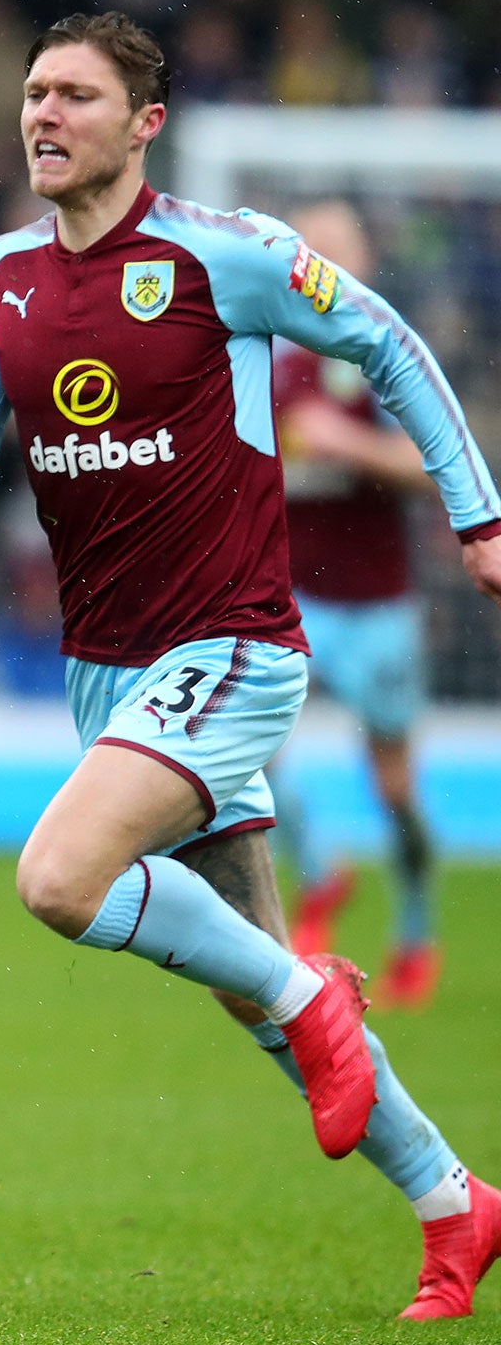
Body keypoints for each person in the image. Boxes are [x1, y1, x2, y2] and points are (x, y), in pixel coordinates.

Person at [0, 12, 501, 1320]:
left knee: (59, 881)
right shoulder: (1, 275)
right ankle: (456, 1203)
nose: (43, 116)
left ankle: (317, 994)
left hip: (231, 649)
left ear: (144, 121)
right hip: (106, 677)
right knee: (256, 996)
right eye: (34, 93)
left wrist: (479, 513)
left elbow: (388, 345)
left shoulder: (221, 257)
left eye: (76, 96)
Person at [266, 200, 440, 1006]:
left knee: (395, 787)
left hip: (378, 602)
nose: (321, 264)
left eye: (337, 248)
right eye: (311, 249)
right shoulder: (273, 359)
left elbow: (430, 460)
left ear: (362, 258)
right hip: (295, 597)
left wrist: (350, 445)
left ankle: (415, 925)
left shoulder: (384, 355)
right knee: (256, 761)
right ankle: (322, 871)